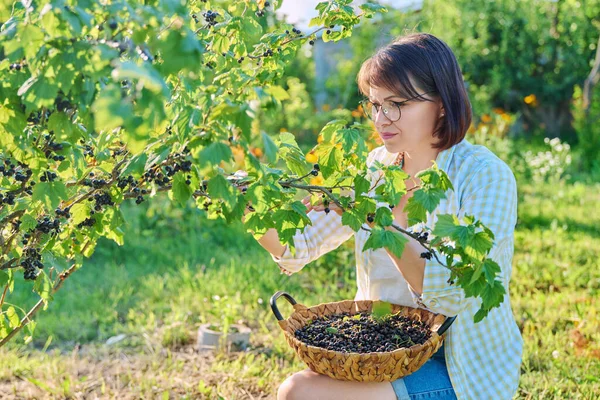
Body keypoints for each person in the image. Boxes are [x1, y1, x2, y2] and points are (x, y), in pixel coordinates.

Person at [243, 32, 523, 400]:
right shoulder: (377, 168)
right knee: (296, 390)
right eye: (375, 104)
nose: (381, 118)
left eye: (396, 104)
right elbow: (298, 245)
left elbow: (449, 293)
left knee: (300, 393)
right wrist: (246, 205)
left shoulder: (484, 176)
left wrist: (379, 220)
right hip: (384, 350)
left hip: (461, 369)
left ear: (441, 102)